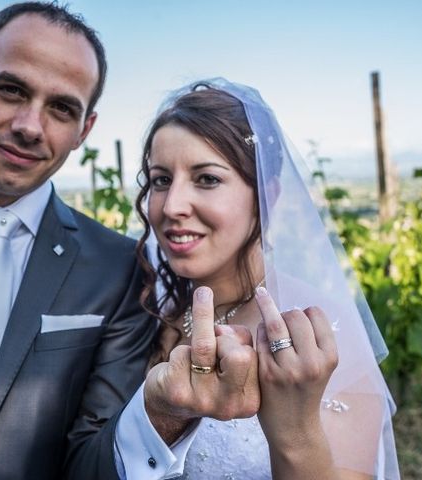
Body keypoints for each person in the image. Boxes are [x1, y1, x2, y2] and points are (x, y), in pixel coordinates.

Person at [0, 5, 260, 479]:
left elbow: (93, 462)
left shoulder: (121, 270)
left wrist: (162, 415)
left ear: (84, 130)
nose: (30, 126)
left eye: (61, 108)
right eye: (12, 89)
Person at [135, 78, 400, 479]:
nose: (172, 206)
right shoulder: (155, 309)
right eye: (161, 180)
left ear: (267, 195)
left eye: (207, 179)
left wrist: (293, 431)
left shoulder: (322, 330)